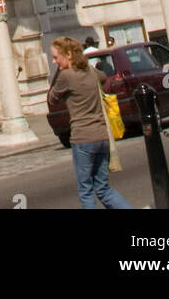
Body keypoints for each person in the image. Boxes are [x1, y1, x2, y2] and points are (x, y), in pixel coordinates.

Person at [47, 37, 132, 210]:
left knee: (85, 190)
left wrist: (59, 71)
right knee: (103, 188)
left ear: (68, 54)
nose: (54, 61)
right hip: (102, 136)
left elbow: (51, 98)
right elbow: (103, 76)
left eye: (56, 57)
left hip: (83, 138)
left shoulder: (66, 76)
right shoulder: (91, 72)